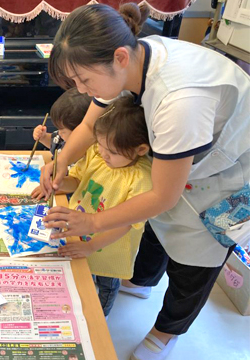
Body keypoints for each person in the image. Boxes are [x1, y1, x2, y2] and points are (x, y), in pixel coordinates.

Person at [39, 3, 250, 360]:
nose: (80, 88)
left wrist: (92, 222)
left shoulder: (179, 101)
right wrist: (62, 162)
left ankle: (167, 332)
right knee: (156, 227)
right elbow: (90, 124)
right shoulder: (125, 63)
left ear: (119, 57)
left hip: (228, 173)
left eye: (83, 80)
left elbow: (163, 196)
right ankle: (142, 282)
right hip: (180, 163)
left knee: (196, 262)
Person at [57, 95, 152, 317]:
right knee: (83, 278)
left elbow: (127, 225)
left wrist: (92, 246)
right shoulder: (96, 154)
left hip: (110, 250)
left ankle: (100, 317)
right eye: (100, 144)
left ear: (140, 149)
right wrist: (60, 182)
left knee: (107, 286)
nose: (103, 153)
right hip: (79, 236)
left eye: (112, 152)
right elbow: (77, 180)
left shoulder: (142, 180)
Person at [31, 88, 91, 200]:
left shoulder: (87, 155)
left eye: (63, 131)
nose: (59, 133)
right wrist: (43, 137)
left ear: (80, 132)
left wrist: (50, 187)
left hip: (71, 198)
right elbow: (54, 142)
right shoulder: (64, 137)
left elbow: (78, 183)